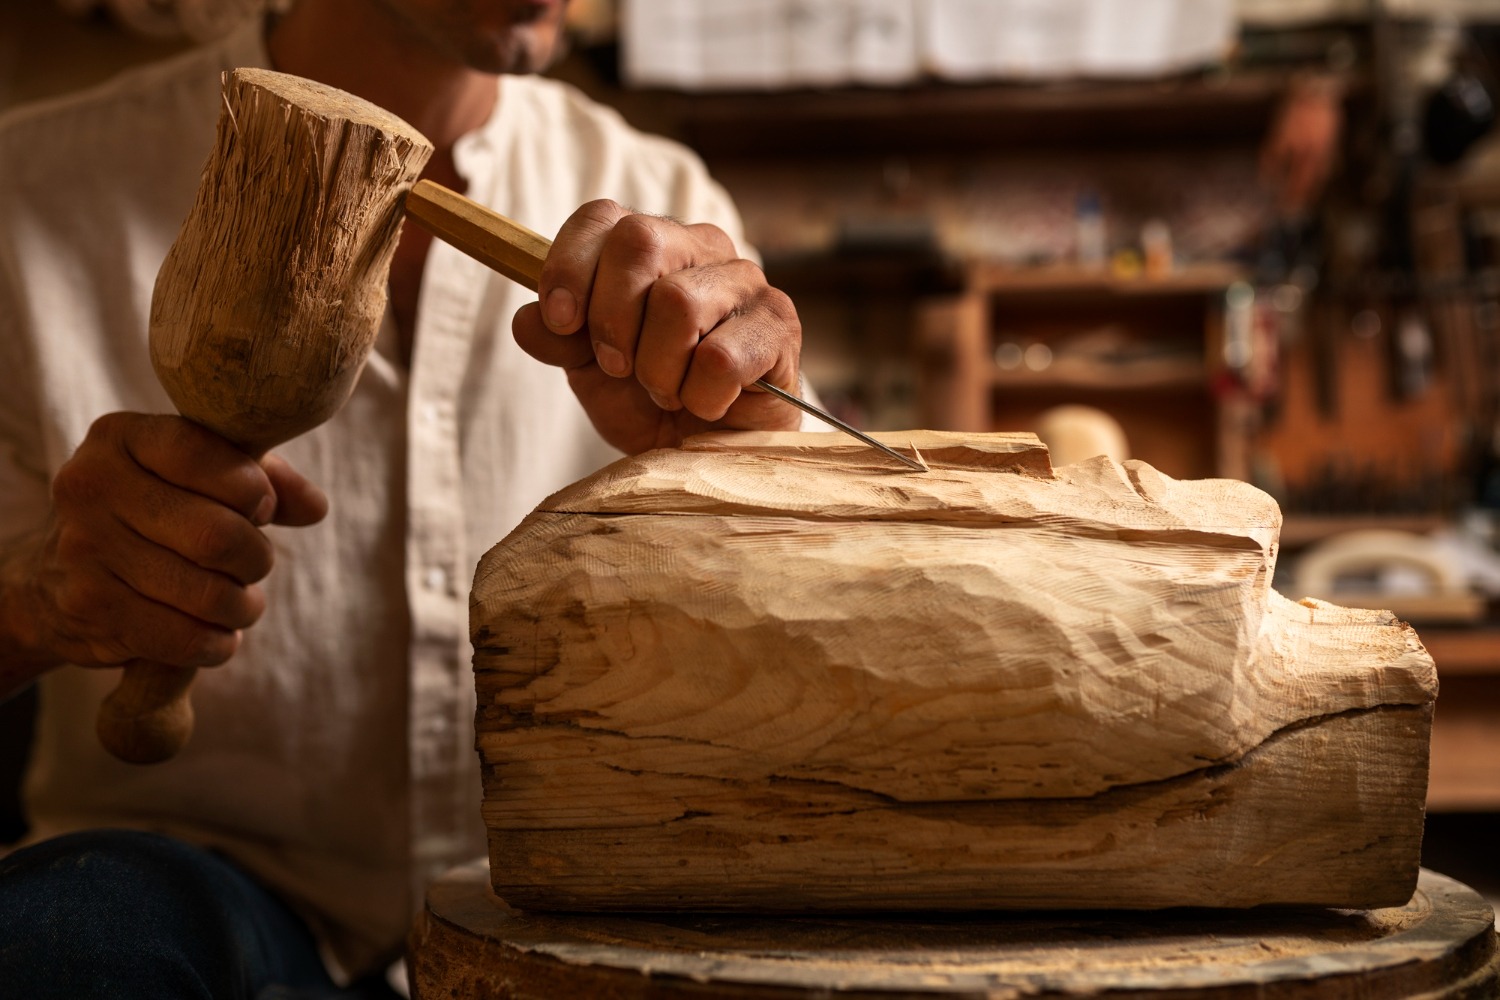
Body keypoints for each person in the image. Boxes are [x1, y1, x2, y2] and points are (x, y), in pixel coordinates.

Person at [0, 0, 805, 996]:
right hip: (199, 910)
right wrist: (34, 602)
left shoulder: (665, 205)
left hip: (569, 911)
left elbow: (802, 682)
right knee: (72, 939)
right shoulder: (26, 190)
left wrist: (729, 475)